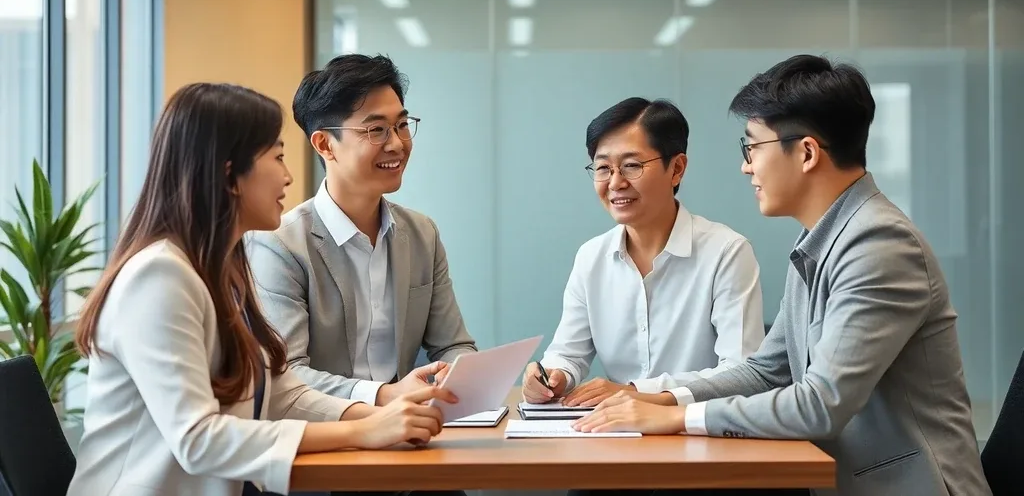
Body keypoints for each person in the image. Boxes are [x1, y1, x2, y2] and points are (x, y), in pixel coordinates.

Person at [572, 56, 992, 496]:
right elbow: (765, 372)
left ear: (807, 152)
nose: (746, 166)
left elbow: (820, 405)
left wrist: (677, 417)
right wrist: (656, 398)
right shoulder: (820, 239)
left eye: (752, 147)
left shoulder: (880, 244)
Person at [67, 83, 456, 496]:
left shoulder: (220, 268)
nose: (288, 175)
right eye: (278, 156)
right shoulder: (159, 277)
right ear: (229, 174)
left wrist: (377, 417)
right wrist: (362, 431)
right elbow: (199, 440)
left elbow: (280, 389)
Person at [249, 54, 476, 408]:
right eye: (376, 130)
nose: (397, 144)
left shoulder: (421, 234)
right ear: (325, 144)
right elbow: (286, 374)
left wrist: (457, 375)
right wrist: (385, 396)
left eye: (402, 125)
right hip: (326, 436)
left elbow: (453, 344)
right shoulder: (280, 244)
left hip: (409, 430)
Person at [522, 98, 765, 408]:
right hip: (617, 433)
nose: (615, 183)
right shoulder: (591, 257)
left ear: (676, 169)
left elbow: (742, 372)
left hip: (699, 432)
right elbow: (569, 354)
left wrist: (639, 391)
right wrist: (552, 376)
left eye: (631, 166)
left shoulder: (727, 252)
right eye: (603, 168)